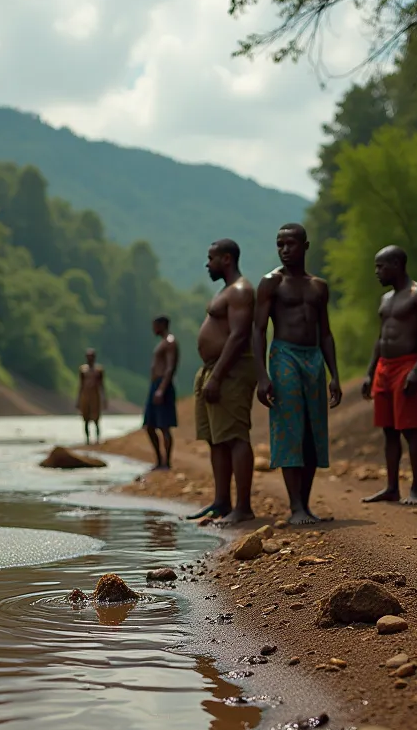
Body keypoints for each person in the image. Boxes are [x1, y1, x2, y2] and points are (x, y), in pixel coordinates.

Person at [254, 223, 342, 525]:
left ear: (305, 246)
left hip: (314, 357)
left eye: (290, 244)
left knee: (313, 430)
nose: (284, 249)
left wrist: (335, 375)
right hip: (284, 355)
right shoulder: (271, 283)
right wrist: (262, 376)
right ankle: (295, 508)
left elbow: (326, 333)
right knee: (289, 427)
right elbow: (258, 330)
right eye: (280, 244)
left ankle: (305, 504)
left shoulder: (319, 285)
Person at [186, 239, 257, 525]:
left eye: (211, 258)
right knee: (216, 439)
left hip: (230, 371)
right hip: (212, 369)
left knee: (235, 436)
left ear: (226, 259)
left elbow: (239, 336)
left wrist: (217, 376)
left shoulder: (241, 290)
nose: (208, 264)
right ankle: (221, 502)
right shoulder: (226, 291)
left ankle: (243, 507)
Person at [361, 246, 417, 505]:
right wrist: (370, 372)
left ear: (396, 264)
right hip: (384, 366)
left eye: (381, 266)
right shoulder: (385, 299)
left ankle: (416, 489)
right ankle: (391, 488)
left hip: (407, 365)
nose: (377, 272)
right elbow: (381, 338)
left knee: (409, 430)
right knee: (389, 431)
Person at [143, 316, 179, 470]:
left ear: (162, 325)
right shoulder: (163, 343)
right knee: (149, 426)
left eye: (155, 325)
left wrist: (161, 389)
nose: (153, 328)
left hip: (162, 385)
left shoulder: (170, 342)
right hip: (156, 384)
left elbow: (170, 368)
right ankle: (159, 460)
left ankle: (167, 462)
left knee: (164, 426)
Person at [76, 348, 106, 444]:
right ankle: (87, 440)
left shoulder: (99, 370)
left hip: (95, 396)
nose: (90, 359)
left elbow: (102, 385)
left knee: (96, 419)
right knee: (85, 419)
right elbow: (81, 384)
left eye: (91, 357)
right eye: (88, 357)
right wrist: (78, 399)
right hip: (85, 396)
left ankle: (97, 439)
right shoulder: (83, 370)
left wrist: (104, 398)